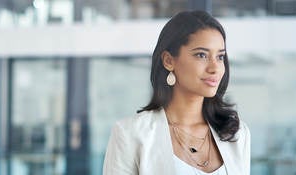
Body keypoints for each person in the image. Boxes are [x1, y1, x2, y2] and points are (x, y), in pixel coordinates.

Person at [103, 10, 250, 175]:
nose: (214, 68)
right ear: (168, 61)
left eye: (220, 57)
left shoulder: (236, 133)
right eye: (201, 55)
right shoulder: (130, 134)